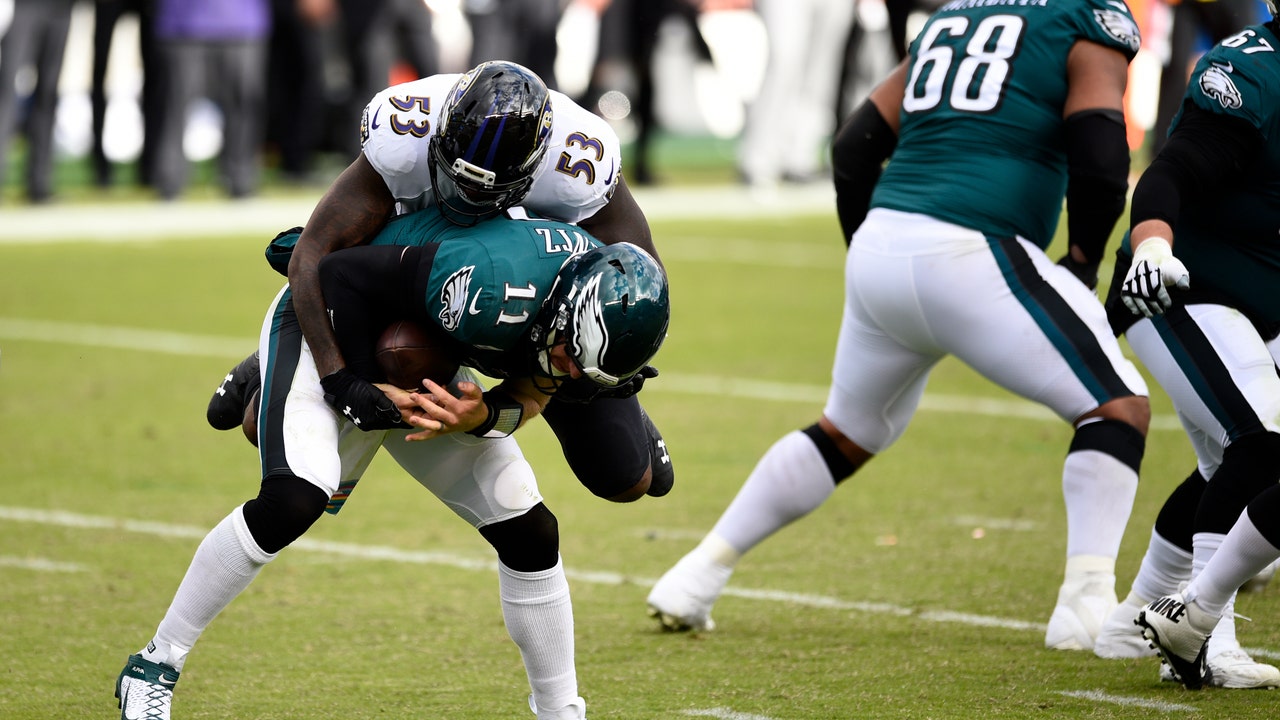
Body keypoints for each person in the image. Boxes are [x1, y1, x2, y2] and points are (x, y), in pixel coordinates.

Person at [646, 0, 1152, 654]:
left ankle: (697, 574)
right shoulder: (1083, 16)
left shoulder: (955, 17)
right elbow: (1102, 153)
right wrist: (1082, 260)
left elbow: (854, 143)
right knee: (1118, 408)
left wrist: (868, 247)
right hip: (975, 245)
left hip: (887, 241)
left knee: (846, 431)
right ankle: (1085, 602)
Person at [114, 205, 671, 720]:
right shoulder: (492, 280)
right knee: (295, 496)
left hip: (417, 344)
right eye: (570, 357)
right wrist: (356, 387)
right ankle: (154, 665)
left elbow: (533, 394)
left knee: (528, 527)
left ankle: (560, 712)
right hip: (328, 320)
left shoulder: (576, 320)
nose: (568, 370)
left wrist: (476, 416)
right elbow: (337, 273)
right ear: (566, 311)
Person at [208, 60, 674, 505]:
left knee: (626, 479)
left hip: (534, 295)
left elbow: (638, 274)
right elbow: (316, 252)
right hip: (415, 271)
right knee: (280, 417)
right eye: (457, 178)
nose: (466, 198)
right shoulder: (406, 128)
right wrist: (341, 380)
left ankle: (603, 386)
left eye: (486, 190)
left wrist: (613, 361)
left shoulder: (578, 163)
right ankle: (273, 356)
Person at [1084, 7, 1280, 689]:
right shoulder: (1252, 72)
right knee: (1261, 441)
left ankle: (1134, 616)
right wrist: (1154, 245)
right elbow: (1172, 172)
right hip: (1183, 287)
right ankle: (1202, 632)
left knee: (1231, 464)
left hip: (1265, 298)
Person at [150, 0, 272, 199]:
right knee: (173, 107)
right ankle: (169, 181)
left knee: (244, 105)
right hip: (182, 23)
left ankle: (242, 180)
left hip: (243, 22)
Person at [0, 0, 74, 203]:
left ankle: (39, 184)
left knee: (48, 95)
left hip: (60, 9)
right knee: (6, 93)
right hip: (22, 7)